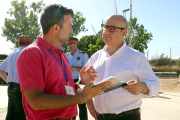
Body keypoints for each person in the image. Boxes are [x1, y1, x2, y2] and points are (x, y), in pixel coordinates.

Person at [16, 4, 111, 120]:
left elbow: (64, 90)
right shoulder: (31, 54)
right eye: (69, 26)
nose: (71, 30)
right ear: (56, 28)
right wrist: (80, 98)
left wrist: (81, 84)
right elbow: (35, 101)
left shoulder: (60, 53)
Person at [83, 14, 161, 120]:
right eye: (105, 27)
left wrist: (142, 87)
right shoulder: (95, 57)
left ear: (124, 32)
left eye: (111, 29)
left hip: (127, 117)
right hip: (100, 117)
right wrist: (90, 104)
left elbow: (156, 83)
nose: (105, 32)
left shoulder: (136, 57)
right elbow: (84, 83)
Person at [0, 37, 31, 120]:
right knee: (21, 115)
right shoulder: (28, 53)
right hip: (22, 88)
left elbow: (0, 69)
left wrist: (8, 81)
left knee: (11, 113)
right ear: (29, 44)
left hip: (11, 87)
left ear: (18, 44)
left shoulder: (12, 54)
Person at [66, 37, 89, 120]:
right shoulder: (66, 56)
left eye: (72, 43)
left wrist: (74, 68)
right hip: (69, 81)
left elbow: (87, 70)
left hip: (79, 81)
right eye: (69, 44)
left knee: (81, 103)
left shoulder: (83, 55)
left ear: (76, 44)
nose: (70, 45)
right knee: (71, 104)